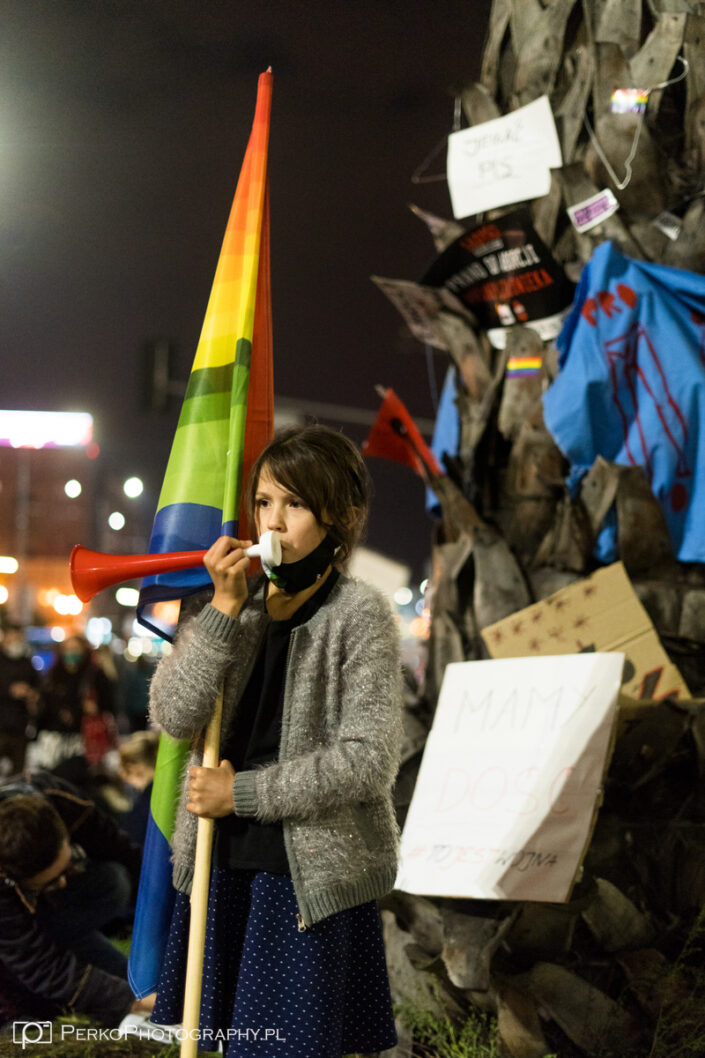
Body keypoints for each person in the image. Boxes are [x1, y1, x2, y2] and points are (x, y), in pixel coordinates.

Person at [149, 424, 403, 1058]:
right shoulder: (230, 601)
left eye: (295, 504)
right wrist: (222, 613)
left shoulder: (359, 613)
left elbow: (368, 759)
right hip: (218, 865)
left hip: (302, 882)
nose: (273, 522)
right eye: (264, 502)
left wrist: (241, 793)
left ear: (339, 516)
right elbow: (173, 715)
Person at [0, 770, 155, 1026]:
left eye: (67, 867)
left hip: (41, 916)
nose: (63, 883)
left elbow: (127, 853)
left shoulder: (59, 800)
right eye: (50, 882)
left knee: (112, 880)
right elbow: (43, 968)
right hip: (13, 940)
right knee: (30, 1010)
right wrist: (134, 1002)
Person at [0, 624, 40, 776]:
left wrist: (32, 694)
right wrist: (9, 690)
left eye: (18, 638)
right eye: (12, 638)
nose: (15, 641)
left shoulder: (27, 663)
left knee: (17, 772)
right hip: (2, 724)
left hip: (20, 726)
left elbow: (38, 687)